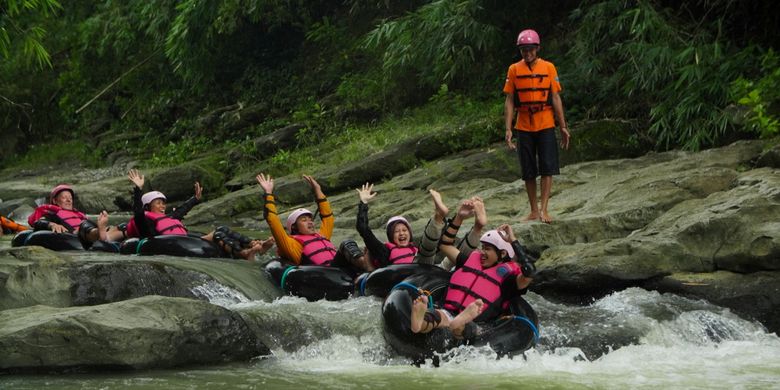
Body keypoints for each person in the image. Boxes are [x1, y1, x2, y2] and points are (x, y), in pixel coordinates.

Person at [410, 199, 536, 338]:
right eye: (482, 248)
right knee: (436, 316)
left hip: (479, 325)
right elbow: (445, 244)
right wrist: (459, 217)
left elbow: (530, 271)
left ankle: (461, 321)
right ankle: (420, 322)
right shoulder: (469, 262)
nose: (482, 252)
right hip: (449, 312)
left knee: (465, 328)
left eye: (487, 249)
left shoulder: (509, 280)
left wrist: (513, 241)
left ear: (503, 253)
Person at [126, 169, 273, 260]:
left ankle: (255, 245)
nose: (163, 205)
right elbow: (138, 213)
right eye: (158, 203)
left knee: (221, 230)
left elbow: (182, 210)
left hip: (186, 240)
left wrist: (195, 199)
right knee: (217, 236)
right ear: (147, 206)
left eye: (163, 202)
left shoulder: (169, 218)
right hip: (170, 244)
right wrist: (138, 189)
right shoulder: (146, 221)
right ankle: (243, 254)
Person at [503, 28, 571, 224]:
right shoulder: (514, 70)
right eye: (524, 49)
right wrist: (508, 128)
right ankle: (533, 210)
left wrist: (563, 126)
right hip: (523, 124)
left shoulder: (549, 67)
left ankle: (545, 210)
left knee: (548, 167)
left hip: (546, 122)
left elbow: (556, 97)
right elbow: (509, 100)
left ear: (537, 48)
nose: (527, 53)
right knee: (528, 169)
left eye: (531, 49)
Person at [256, 172, 374, 277]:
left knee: (360, 245)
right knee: (346, 244)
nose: (310, 222)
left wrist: (318, 190)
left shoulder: (321, 235)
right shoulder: (292, 245)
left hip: (342, 269)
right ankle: (365, 264)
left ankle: (365, 266)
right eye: (304, 220)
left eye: (310, 219)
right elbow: (273, 221)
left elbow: (328, 217)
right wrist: (268, 193)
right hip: (326, 275)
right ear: (294, 227)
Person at [27, 184, 124, 247]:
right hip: (76, 236)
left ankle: (117, 235)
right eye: (64, 198)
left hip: (90, 232)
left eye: (70, 198)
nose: (69, 200)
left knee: (121, 227)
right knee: (84, 225)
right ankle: (99, 234)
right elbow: (38, 223)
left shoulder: (79, 214)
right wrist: (52, 225)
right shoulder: (52, 214)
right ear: (55, 201)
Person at [355, 182, 418, 268]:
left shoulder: (419, 250)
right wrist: (363, 202)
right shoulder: (384, 252)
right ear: (391, 236)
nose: (401, 233)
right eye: (396, 231)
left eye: (404, 230)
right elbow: (363, 229)